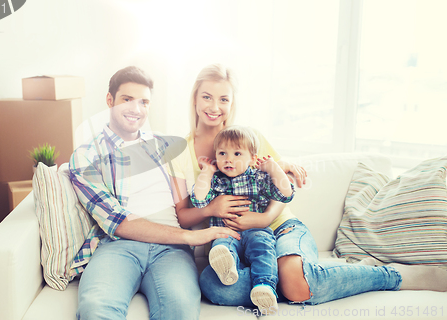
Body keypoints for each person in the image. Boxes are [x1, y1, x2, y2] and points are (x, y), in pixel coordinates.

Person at [170, 63, 447, 312]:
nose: (214, 106)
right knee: (214, 286)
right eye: (206, 96)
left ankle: (391, 275)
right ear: (194, 98)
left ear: (232, 104)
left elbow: (283, 183)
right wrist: (211, 209)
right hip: (232, 244)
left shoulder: (247, 137)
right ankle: (272, 279)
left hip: (280, 227)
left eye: (223, 99)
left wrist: (265, 217)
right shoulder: (181, 153)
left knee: (296, 285)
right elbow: (182, 215)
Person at [69, 66, 240, 320]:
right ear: (109, 100)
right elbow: (118, 222)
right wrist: (189, 237)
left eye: (144, 102)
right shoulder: (86, 156)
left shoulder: (165, 144)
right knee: (96, 309)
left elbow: (195, 193)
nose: (136, 109)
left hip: (171, 252)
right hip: (119, 247)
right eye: (127, 99)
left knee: (180, 309)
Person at [191, 125, 295, 314]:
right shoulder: (216, 181)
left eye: (237, 153)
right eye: (222, 153)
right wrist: (206, 172)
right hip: (227, 231)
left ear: (253, 159)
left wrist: (274, 169)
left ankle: (264, 286)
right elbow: (198, 201)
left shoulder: (259, 178)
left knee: (263, 248)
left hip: (256, 230)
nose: (228, 159)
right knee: (222, 244)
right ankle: (228, 267)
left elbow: (285, 194)